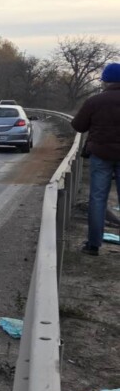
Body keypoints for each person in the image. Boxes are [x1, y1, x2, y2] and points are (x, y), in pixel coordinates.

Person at [71, 62, 120, 255]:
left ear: (106, 81)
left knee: (98, 199)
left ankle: (93, 245)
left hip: (101, 155)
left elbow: (78, 126)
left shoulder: (95, 101)